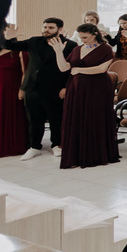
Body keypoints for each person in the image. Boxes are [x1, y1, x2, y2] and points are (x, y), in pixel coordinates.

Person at [4, 18, 75, 159]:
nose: (46, 30)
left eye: (50, 27)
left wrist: (65, 87)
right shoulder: (34, 41)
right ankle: (34, 146)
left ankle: (56, 145)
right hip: (33, 86)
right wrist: (9, 37)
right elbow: (10, 45)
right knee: (34, 119)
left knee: (56, 118)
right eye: (44, 27)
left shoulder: (70, 45)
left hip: (55, 88)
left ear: (59, 29)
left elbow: (71, 68)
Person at [51, 23, 118, 169]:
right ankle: (77, 154)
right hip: (76, 89)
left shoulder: (105, 49)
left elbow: (102, 69)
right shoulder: (77, 49)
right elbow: (64, 68)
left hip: (97, 89)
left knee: (93, 119)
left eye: (85, 37)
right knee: (76, 119)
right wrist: (58, 52)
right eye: (81, 37)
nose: (82, 40)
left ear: (94, 34)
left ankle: (94, 153)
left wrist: (79, 70)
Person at [0, 36, 26, 157]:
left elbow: (25, 72)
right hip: (1, 88)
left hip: (12, 88)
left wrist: (22, 89)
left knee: (12, 114)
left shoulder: (19, 51)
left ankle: (13, 144)